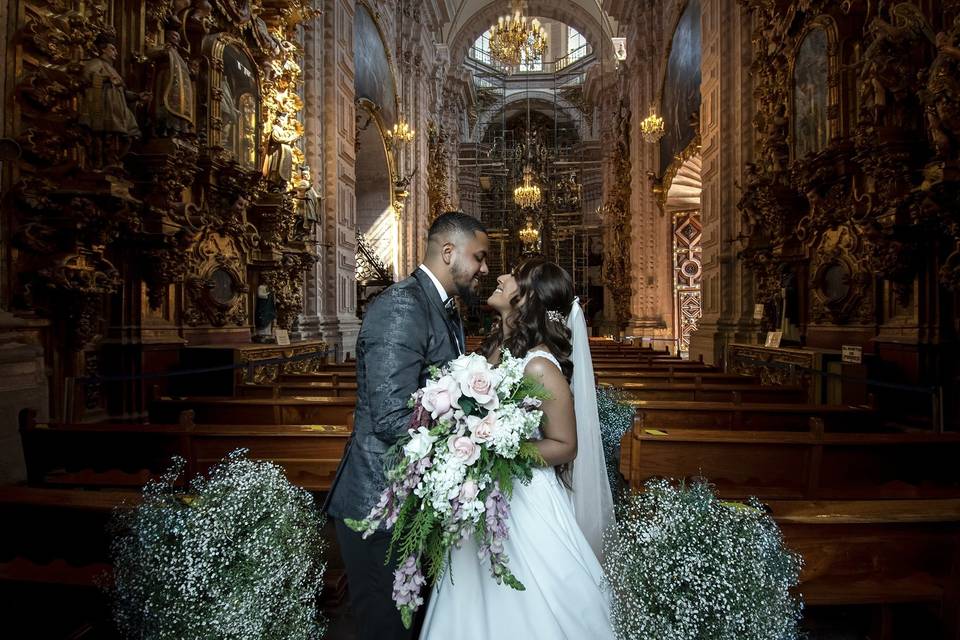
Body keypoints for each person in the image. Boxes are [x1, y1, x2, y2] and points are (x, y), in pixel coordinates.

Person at [419, 257, 616, 640]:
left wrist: (500, 447)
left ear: (529, 299)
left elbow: (566, 445)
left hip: (524, 499)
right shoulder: (496, 345)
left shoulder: (540, 366)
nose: (502, 276)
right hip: (481, 494)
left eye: (515, 277)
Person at [325, 211, 490, 640]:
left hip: (411, 503)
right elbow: (391, 415)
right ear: (448, 252)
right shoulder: (402, 305)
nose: (484, 269)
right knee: (388, 632)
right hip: (378, 507)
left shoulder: (444, 309)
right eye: (480, 257)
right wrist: (474, 440)